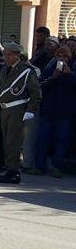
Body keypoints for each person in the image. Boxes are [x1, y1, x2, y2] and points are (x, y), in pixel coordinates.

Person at [0, 42, 42, 184]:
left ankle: (14, 171)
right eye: (5, 54)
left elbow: (35, 92)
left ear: (17, 55)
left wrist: (31, 110)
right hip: (5, 109)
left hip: (18, 109)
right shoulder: (4, 70)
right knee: (6, 140)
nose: (6, 57)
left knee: (14, 141)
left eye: (9, 55)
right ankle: (10, 167)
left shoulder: (26, 71)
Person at [32, 45, 76, 177]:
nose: (61, 59)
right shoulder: (49, 69)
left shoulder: (72, 71)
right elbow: (41, 87)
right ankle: (39, 166)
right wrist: (54, 77)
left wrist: (70, 75)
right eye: (59, 56)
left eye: (64, 56)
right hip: (48, 110)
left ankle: (57, 166)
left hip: (65, 112)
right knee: (43, 138)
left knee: (61, 139)